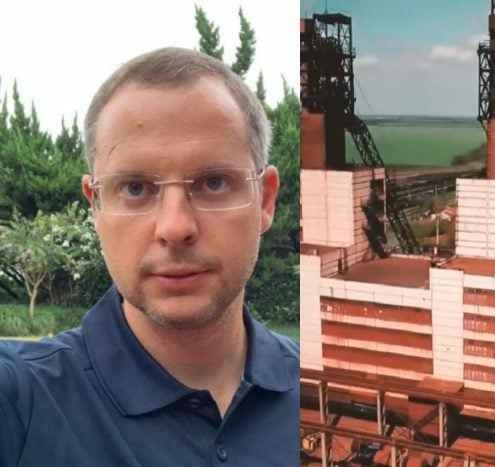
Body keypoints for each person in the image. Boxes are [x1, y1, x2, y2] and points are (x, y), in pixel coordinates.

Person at [0, 47, 298, 466]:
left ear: (264, 200)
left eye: (213, 182)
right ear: (96, 206)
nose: (174, 228)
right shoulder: (20, 401)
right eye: (135, 188)